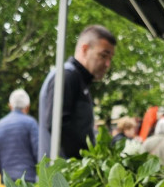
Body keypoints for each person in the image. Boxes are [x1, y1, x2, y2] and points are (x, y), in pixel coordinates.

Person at [38, 25, 116, 160]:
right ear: (85, 49)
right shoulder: (67, 76)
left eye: (110, 58)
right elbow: (57, 124)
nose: (107, 63)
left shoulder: (77, 79)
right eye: (103, 55)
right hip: (62, 175)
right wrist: (89, 157)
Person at [0, 89, 39, 182]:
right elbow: (37, 151)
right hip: (28, 178)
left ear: (10, 106)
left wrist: (4, 174)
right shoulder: (31, 123)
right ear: (27, 107)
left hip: (8, 180)